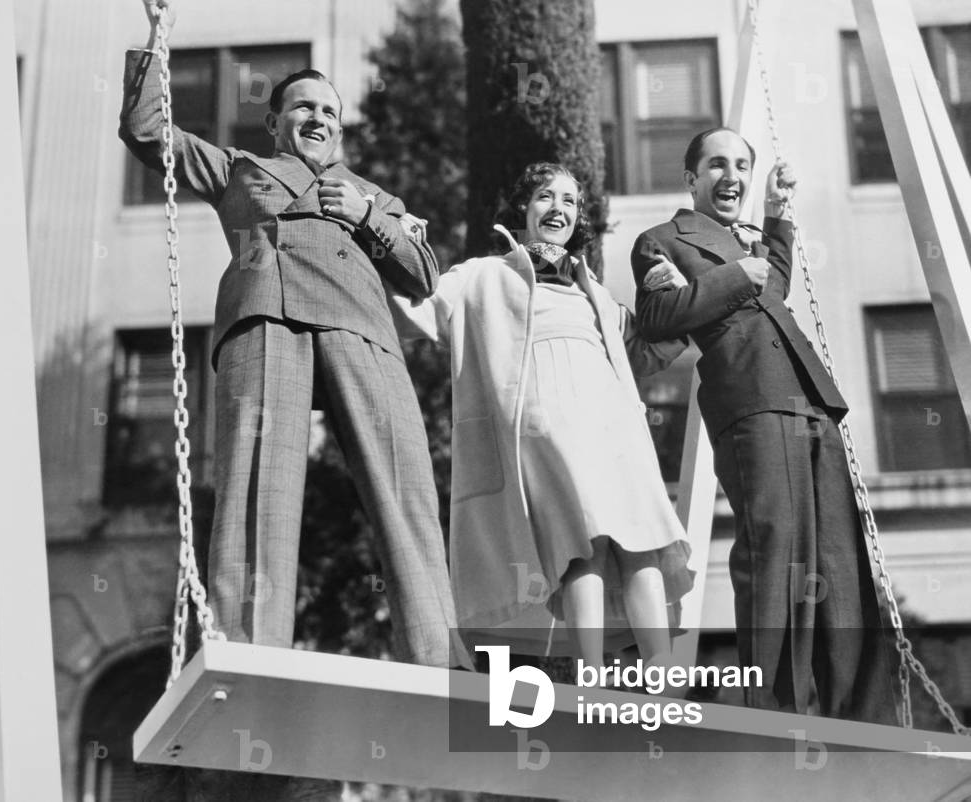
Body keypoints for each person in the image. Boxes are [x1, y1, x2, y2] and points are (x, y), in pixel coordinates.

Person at [120, 0, 469, 672]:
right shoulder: (238, 169)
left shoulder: (372, 194)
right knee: (258, 486)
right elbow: (147, 131)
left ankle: (437, 655)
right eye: (303, 108)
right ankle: (249, 650)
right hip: (267, 315)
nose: (318, 119)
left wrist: (368, 215)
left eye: (330, 113)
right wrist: (159, 36)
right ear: (275, 122)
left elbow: (421, 277)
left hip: (361, 327)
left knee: (403, 487)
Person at [630, 126, 897, 723]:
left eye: (742, 166)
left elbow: (770, 287)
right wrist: (733, 276)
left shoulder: (750, 243)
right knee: (776, 554)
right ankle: (776, 715)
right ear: (691, 178)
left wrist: (777, 218)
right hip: (751, 403)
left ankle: (862, 717)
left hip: (811, 403)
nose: (733, 176)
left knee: (838, 563)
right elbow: (656, 316)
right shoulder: (662, 242)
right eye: (718, 164)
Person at [393, 162, 695, 671]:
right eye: (544, 197)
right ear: (522, 209)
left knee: (641, 535)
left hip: (612, 420)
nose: (558, 208)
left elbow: (642, 353)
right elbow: (416, 309)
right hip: (545, 418)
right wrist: (395, 246)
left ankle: (661, 670)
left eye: (570, 201)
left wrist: (684, 304)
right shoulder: (482, 275)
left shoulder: (593, 291)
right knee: (583, 541)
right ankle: (592, 672)